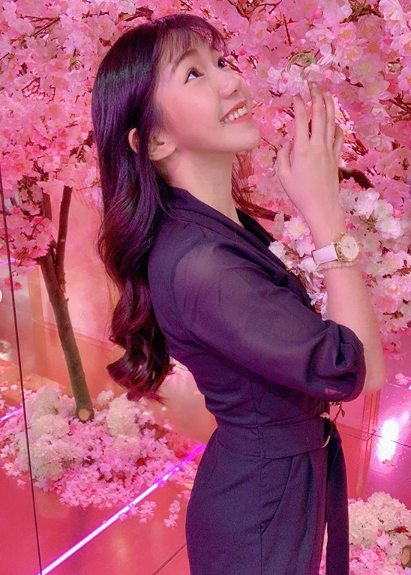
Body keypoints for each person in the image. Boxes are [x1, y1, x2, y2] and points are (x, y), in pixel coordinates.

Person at [91, 13, 386, 575]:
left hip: (271, 488)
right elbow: (359, 370)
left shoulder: (215, 227)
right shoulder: (202, 263)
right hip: (261, 513)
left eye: (222, 63)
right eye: (194, 74)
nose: (231, 82)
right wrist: (326, 215)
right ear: (153, 139)